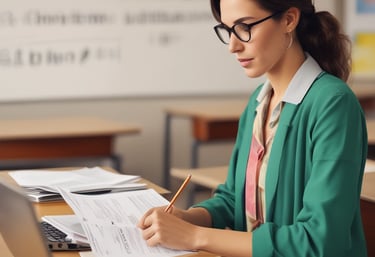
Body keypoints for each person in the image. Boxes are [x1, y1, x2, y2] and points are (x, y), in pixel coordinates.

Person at [138, 0, 368, 256]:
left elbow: (318, 240)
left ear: (289, 20)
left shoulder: (333, 105)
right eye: (228, 31)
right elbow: (235, 199)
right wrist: (187, 218)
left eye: (245, 27)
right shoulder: (259, 102)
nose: (233, 46)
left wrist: (195, 237)